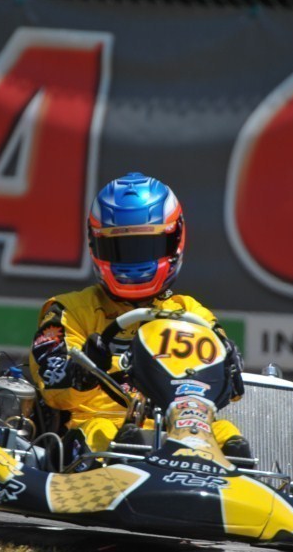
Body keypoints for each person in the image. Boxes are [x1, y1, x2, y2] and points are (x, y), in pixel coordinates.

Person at [28, 172, 249, 464]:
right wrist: (82, 372)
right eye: (120, 250)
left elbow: (231, 394)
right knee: (107, 434)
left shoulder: (192, 314)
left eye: (147, 247)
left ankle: (236, 481)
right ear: (96, 246)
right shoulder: (69, 310)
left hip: (184, 428)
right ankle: (125, 466)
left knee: (228, 436)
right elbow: (51, 385)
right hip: (95, 425)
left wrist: (230, 368)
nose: (133, 263)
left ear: (174, 241)